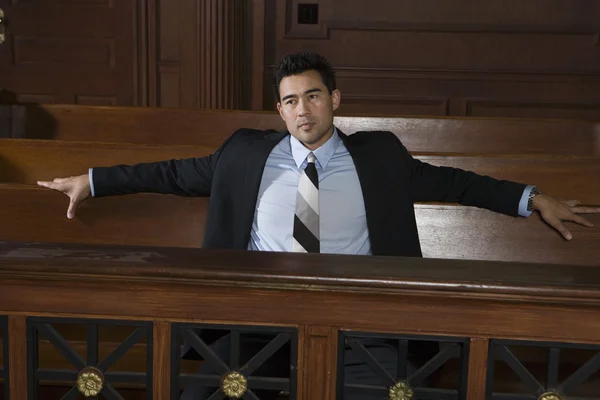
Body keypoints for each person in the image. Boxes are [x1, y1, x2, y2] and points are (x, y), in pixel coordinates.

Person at [38, 52, 599, 398]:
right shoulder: (243, 154)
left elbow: (457, 184)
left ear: (334, 100)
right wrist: (94, 180)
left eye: (312, 96)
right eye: (289, 101)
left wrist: (533, 197)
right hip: (251, 318)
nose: (302, 110)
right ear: (278, 110)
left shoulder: (379, 156)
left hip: (358, 316)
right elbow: (170, 173)